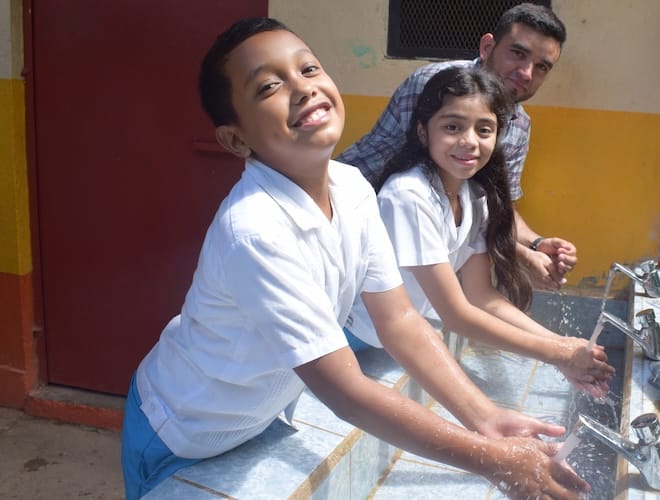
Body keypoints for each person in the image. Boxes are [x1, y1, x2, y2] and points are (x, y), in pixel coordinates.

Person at [119, 17, 592, 500]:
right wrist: (492, 459)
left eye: (308, 69)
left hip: (257, 415)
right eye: (269, 87)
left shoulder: (350, 187)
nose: (303, 90)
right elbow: (346, 390)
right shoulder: (256, 231)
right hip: (184, 430)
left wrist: (485, 417)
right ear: (236, 140)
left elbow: (402, 321)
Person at [345, 65, 614, 397]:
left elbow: (481, 297)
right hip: (350, 333)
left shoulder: (474, 196)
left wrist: (562, 345)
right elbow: (456, 315)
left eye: (484, 129)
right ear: (423, 131)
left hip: (387, 335)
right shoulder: (408, 196)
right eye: (453, 126)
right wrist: (557, 354)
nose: (469, 141)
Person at [337, 3, 576, 291]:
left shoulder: (518, 126)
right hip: (350, 217)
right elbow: (394, 177)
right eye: (518, 53)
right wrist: (518, 254)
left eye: (541, 67)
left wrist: (536, 243)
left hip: (422, 254)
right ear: (487, 47)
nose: (526, 73)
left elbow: (498, 202)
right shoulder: (437, 87)